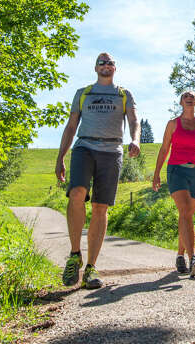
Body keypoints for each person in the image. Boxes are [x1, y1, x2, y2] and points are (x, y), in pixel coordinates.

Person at [55, 53, 140, 289]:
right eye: (102, 62)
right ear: (95, 68)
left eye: (110, 62)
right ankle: (74, 256)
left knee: (100, 207)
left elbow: (134, 120)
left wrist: (135, 139)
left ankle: (91, 267)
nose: (106, 65)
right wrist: (60, 157)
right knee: (77, 193)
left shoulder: (124, 94)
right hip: (85, 147)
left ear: (115, 68)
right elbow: (71, 126)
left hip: (112, 151)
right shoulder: (83, 93)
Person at [152, 91, 195, 278]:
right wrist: (156, 174)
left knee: (186, 215)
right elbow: (164, 149)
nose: (189, 98)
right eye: (186, 96)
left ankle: (180, 255)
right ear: (180, 102)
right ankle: (193, 256)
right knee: (186, 210)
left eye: (193, 96)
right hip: (176, 170)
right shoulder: (173, 124)